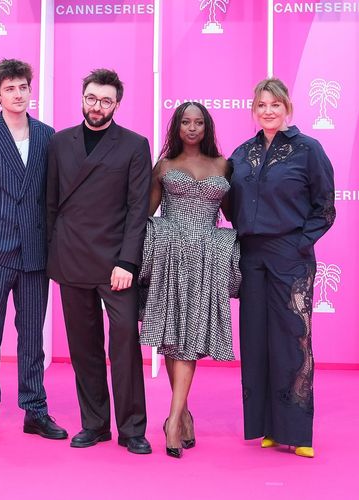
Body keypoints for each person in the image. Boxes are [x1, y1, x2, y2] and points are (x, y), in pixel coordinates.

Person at [227, 77, 335, 459]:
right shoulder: (242, 153)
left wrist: (299, 243)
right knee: (256, 342)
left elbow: (325, 206)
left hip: (291, 257)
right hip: (251, 256)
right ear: (253, 110)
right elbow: (231, 203)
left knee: (293, 340)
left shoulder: (308, 150)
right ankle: (268, 428)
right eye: (261, 105)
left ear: (287, 107)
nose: (268, 111)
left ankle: (298, 432)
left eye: (275, 104)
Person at [0, 59, 67, 445]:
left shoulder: (47, 136)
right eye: (10, 89)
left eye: (23, 87)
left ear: (30, 90)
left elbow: (52, 197)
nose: (18, 94)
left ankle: (35, 409)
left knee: (32, 337)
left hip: (35, 254)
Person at [47, 69, 152, 455]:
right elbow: (50, 202)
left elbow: (138, 209)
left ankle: (132, 428)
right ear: (82, 98)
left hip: (116, 263)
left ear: (117, 105)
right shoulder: (60, 142)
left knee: (124, 342)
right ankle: (94, 424)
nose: (97, 106)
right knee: (83, 346)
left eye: (106, 101)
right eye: (91, 98)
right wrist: (52, 252)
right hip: (71, 256)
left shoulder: (134, 145)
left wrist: (128, 261)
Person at [138, 102, 240, 458]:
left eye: (198, 122)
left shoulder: (223, 166)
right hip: (170, 258)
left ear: (206, 127)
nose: (192, 128)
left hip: (205, 262)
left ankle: (174, 419)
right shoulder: (164, 166)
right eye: (186, 122)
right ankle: (180, 416)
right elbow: (145, 213)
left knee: (190, 340)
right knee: (173, 340)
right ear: (177, 127)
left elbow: (234, 213)